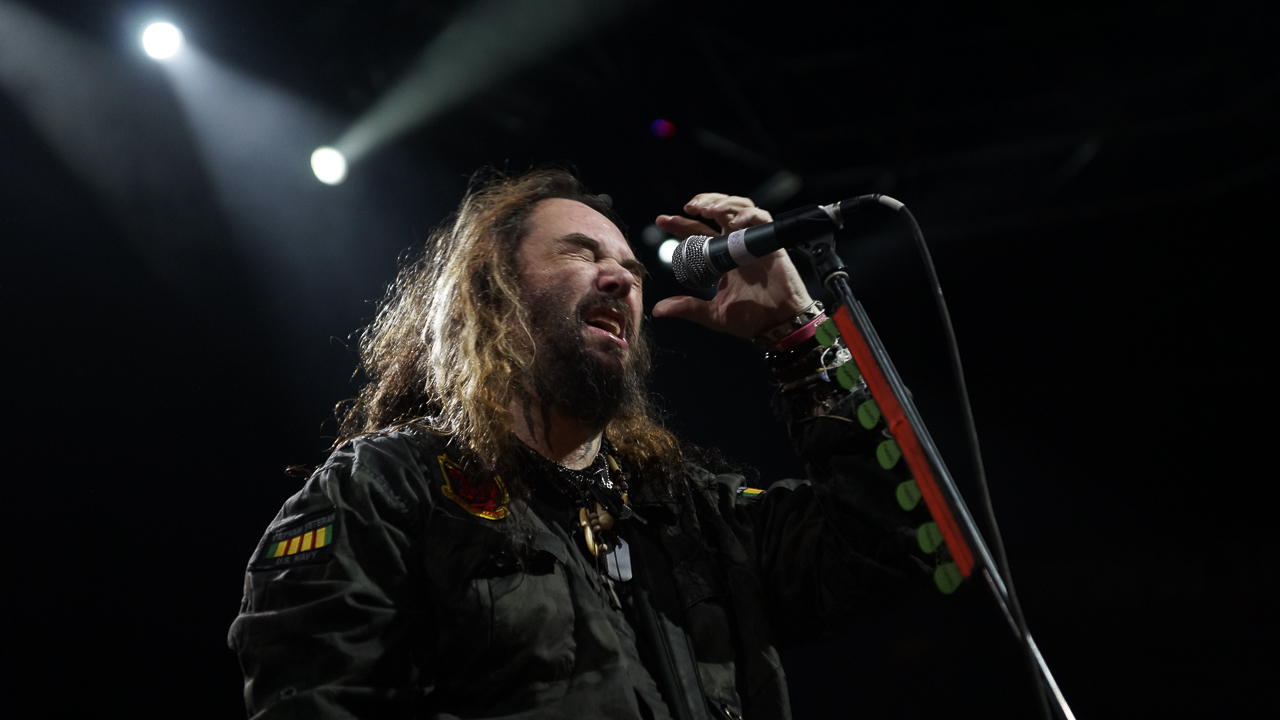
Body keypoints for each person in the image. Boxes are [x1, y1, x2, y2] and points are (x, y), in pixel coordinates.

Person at [229, 168, 933, 720]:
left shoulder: (692, 513)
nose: (621, 278)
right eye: (580, 252)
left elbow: (892, 537)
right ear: (493, 292)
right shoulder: (391, 486)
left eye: (631, 268)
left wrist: (799, 334)